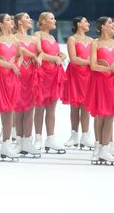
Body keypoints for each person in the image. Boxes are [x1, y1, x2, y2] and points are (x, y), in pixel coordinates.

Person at [85, 17, 114, 166]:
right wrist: (111, 68)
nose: (113, 25)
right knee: (100, 115)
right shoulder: (95, 43)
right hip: (100, 81)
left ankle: (105, 148)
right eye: (110, 23)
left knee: (109, 115)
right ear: (103, 27)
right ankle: (100, 146)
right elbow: (93, 65)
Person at [0, 14, 21, 161]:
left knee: (10, 112)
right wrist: (10, 65)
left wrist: (17, 65)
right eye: (8, 20)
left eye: (11, 20)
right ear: (1, 24)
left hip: (12, 78)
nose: (11, 22)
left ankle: (6, 145)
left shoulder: (15, 39)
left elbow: (20, 55)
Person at [34, 12, 67, 153]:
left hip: (54, 74)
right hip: (43, 73)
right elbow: (39, 52)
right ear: (43, 21)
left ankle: (51, 138)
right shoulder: (37, 35)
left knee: (51, 109)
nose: (55, 20)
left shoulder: (53, 37)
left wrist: (61, 55)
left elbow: (56, 53)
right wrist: (54, 58)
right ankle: (38, 138)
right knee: (40, 107)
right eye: (51, 18)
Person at [62, 16, 94, 150]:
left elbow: (94, 57)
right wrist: (88, 61)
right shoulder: (72, 39)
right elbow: (74, 59)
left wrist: (87, 61)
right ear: (78, 24)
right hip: (75, 74)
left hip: (88, 75)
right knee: (74, 106)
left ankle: (85, 136)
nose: (88, 23)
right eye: (86, 21)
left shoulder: (92, 41)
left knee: (86, 106)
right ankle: (74, 136)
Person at [13, 12, 42, 158]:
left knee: (30, 109)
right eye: (26, 18)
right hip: (18, 74)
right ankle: (19, 141)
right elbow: (17, 52)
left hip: (31, 75)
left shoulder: (34, 38)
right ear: (19, 22)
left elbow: (40, 52)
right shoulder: (14, 38)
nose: (30, 20)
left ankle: (27, 141)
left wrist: (39, 58)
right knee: (18, 109)